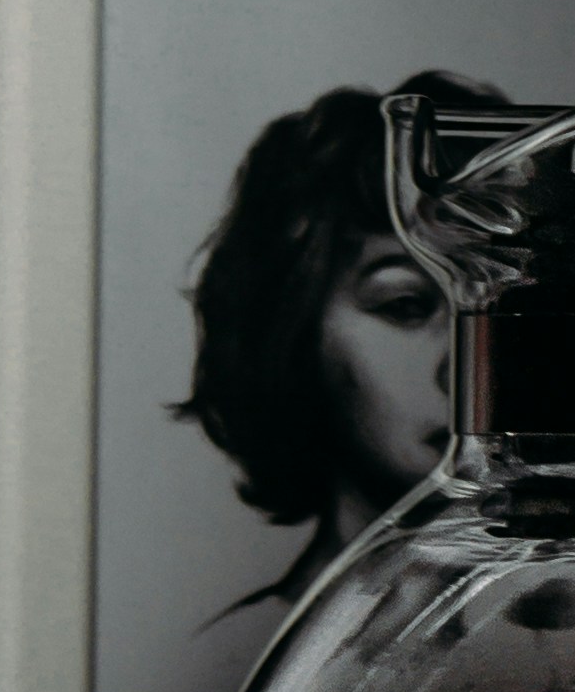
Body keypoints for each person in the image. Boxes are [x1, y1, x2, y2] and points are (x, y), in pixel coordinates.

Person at [175, 70, 492, 619]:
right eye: (406, 306)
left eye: (502, 312)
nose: (469, 365)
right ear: (291, 335)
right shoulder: (253, 658)